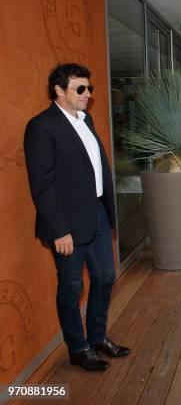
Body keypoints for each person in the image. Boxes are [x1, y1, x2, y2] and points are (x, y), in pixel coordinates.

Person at [23, 63, 130, 372]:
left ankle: (97, 338)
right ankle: (78, 349)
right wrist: (59, 230)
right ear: (59, 90)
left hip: (96, 214)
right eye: (80, 89)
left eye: (89, 88)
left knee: (106, 277)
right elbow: (42, 185)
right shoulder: (42, 127)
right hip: (66, 224)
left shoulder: (87, 119)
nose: (87, 94)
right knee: (71, 287)